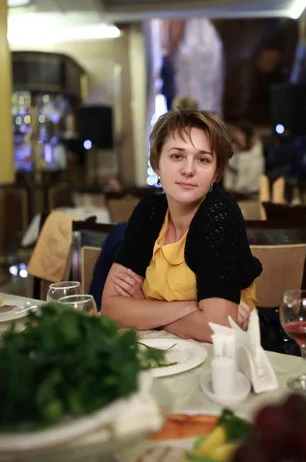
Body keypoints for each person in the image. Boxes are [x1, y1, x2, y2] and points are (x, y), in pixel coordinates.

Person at [102, 109, 262, 342]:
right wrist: (191, 308)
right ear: (157, 164)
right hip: (159, 351)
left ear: (216, 173)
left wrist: (144, 308)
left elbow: (218, 330)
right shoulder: (149, 211)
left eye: (203, 159)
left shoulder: (219, 214)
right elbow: (111, 308)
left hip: (222, 362)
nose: (188, 169)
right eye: (177, 156)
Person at [224, 121, 265, 197]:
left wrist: (240, 188)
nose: (237, 136)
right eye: (237, 133)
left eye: (240, 134)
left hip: (249, 194)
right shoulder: (234, 150)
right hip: (234, 193)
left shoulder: (255, 153)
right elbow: (229, 171)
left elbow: (254, 176)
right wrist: (229, 186)